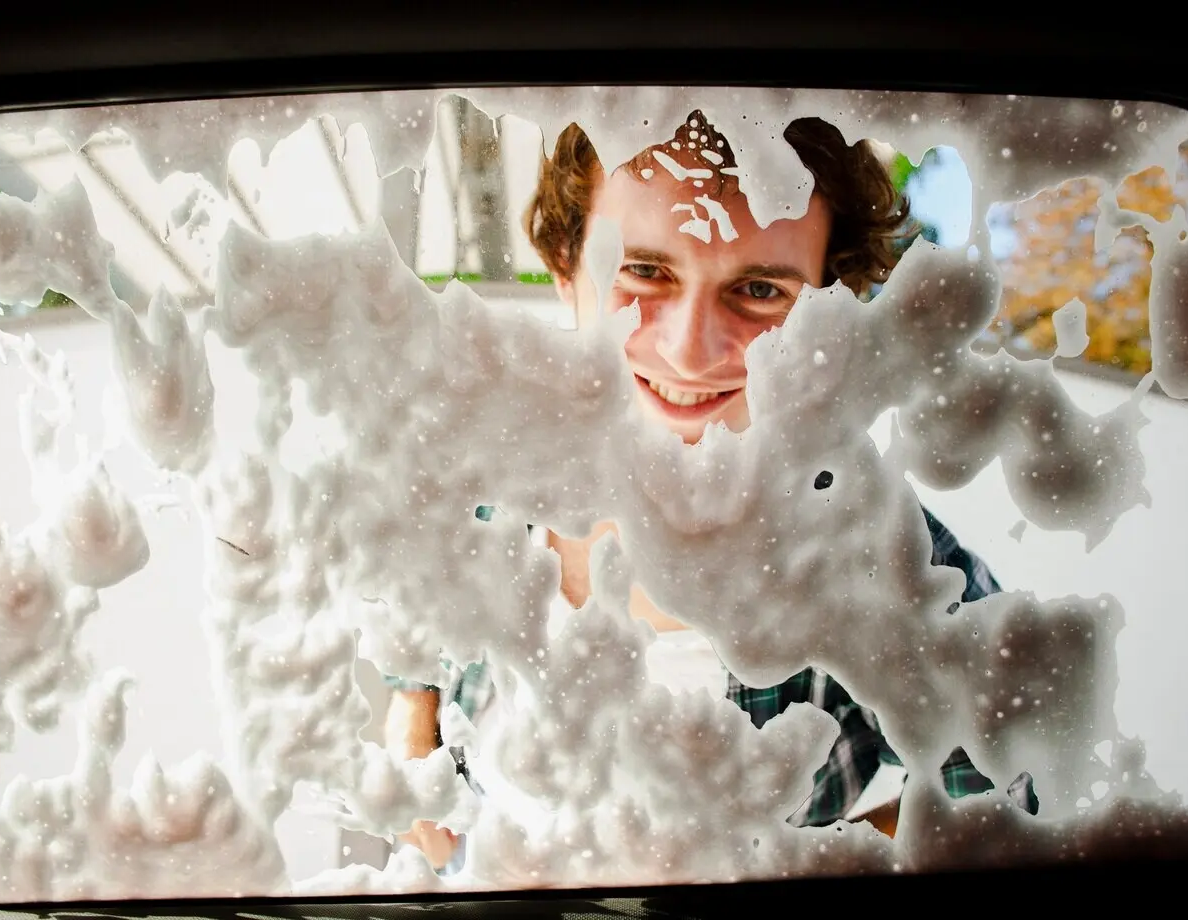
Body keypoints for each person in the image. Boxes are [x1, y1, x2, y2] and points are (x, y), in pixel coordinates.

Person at [385, 110, 1037, 871]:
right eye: (645, 272)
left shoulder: (881, 562)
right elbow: (416, 594)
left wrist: (806, 865)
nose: (689, 352)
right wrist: (412, 716)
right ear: (566, 268)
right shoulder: (482, 475)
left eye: (758, 289)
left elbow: (1006, 799)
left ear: (825, 312)